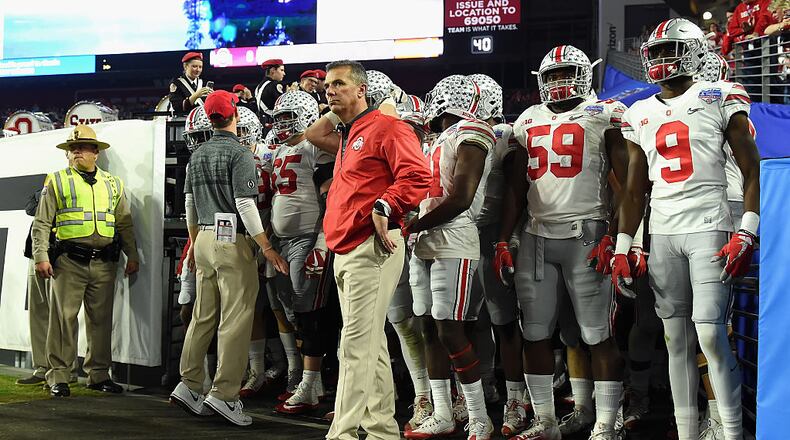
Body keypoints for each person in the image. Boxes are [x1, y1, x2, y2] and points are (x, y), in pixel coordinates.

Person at [614, 18, 760, 440]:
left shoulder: (718, 95)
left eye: (670, 50)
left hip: (709, 223)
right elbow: (634, 189)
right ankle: (687, 432)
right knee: (674, 338)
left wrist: (746, 229)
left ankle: (730, 431)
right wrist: (626, 244)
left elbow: (752, 170)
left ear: (696, 51)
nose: (661, 60)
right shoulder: (639, 112)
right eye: (655, 52)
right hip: (661, 231)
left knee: (711, 334)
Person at [498, 45, 629, 440]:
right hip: (537, 235)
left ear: (584, 74)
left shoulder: (604, 113)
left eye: (566, 73)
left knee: (597, 333)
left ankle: (607, 421)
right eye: (551, 76)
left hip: (587, 233)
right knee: (535, 332)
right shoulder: (527, 119)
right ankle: (547, 422)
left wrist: (622, 237)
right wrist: (505, 237)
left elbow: (625, 184)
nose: (558, 82)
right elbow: (518, 187)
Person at [315, 60, 431, 440]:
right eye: (328, 85)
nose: (330, 90)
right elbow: (312, 132)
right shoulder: (350, 131)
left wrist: (386, 205)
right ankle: (382, 430)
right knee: (370, 344)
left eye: (340, 84)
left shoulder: (388, 126)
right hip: (346, 247)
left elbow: (418, 175)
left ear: (362, 89)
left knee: (353, 346)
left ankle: (342, 434)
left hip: (372, 246)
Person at [169, 90, 288, 426]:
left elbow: (189, 206)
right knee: (236, 319)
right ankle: (224, 394)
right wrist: (265, 245)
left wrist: (193, 244)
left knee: (203, 315)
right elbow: (245, 204)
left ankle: (189, 383)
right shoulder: (239, 152)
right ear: (234, 114)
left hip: (203, 238)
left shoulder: (198, 155)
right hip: (231, 239)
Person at [403, 74, 495, 440]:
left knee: (449, 328)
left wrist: (413, 225)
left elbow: (461, 198)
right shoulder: (436, 138)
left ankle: (478, 416)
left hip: (453, 237)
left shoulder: (471, 131)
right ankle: (443, 412)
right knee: (426, 326)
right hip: (426, 236)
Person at [32, 125, 140, 397]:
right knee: (63, 321)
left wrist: (133, 253)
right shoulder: (56, 180)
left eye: (82, 147)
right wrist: (41, 256)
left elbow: (124, 222)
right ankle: (59, 376)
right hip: (68, 262)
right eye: (72, 148)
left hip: (104, 262)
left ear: (96, 152)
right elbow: (42, 223)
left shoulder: (113, 183)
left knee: (101, 321)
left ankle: (99, 375)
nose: (76, 151)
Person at [466, 73, 530, 437]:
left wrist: (511, 237)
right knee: (468, 320)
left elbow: (516, 193)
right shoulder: (453, 136)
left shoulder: (505, 135)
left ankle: (516, 397)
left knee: (503, 320)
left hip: (492, 235)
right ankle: (485, 384)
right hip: (462, 234)